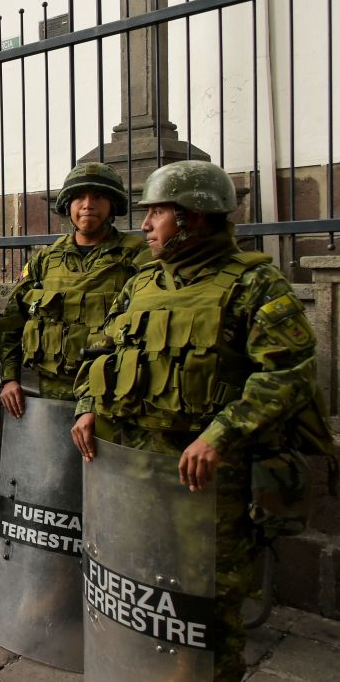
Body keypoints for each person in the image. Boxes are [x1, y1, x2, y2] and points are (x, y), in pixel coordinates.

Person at [71, 160, 325, 681]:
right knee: (138, 581)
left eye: (157, 212)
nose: (144, 224)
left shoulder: (255, 285)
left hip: (210, 480)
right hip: (135, 467)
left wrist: (220, 434)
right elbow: (99, 348)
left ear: (194, 217)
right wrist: (87, 405)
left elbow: (290, 374)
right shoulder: (143, 280)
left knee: (207, 604)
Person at [0, 162, 146, 416]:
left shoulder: (137, 257)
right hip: (52, 395)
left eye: (98, 197)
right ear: (68, 205)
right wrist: (10, 378)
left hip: (112, 396)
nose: (88, 204)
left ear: (112, 205)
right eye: (79, 197)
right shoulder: (45, 261)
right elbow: (13, 322)